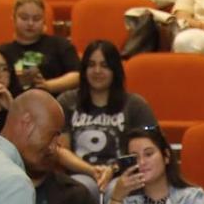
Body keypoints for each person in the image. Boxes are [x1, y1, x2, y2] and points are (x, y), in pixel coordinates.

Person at [54, 40, 157, 192]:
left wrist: (113, 169)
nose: (97, 71)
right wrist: (92, 170)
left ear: (115, 70)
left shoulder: (135, 105)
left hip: (123, 173)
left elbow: (148, 148)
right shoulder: (66, 101)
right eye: (91, 65)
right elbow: (60, 150)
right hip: (80, 174)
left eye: (104, 66)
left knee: (117, 188)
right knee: (82, 188)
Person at [0, 0, 77, 96]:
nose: (30, 23)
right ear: (13, 18)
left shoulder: (60, 45)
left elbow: (77, 76)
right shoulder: (2, 52)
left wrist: (47, 86)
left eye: (36, 19)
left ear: (44, 21)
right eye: (24, 18)